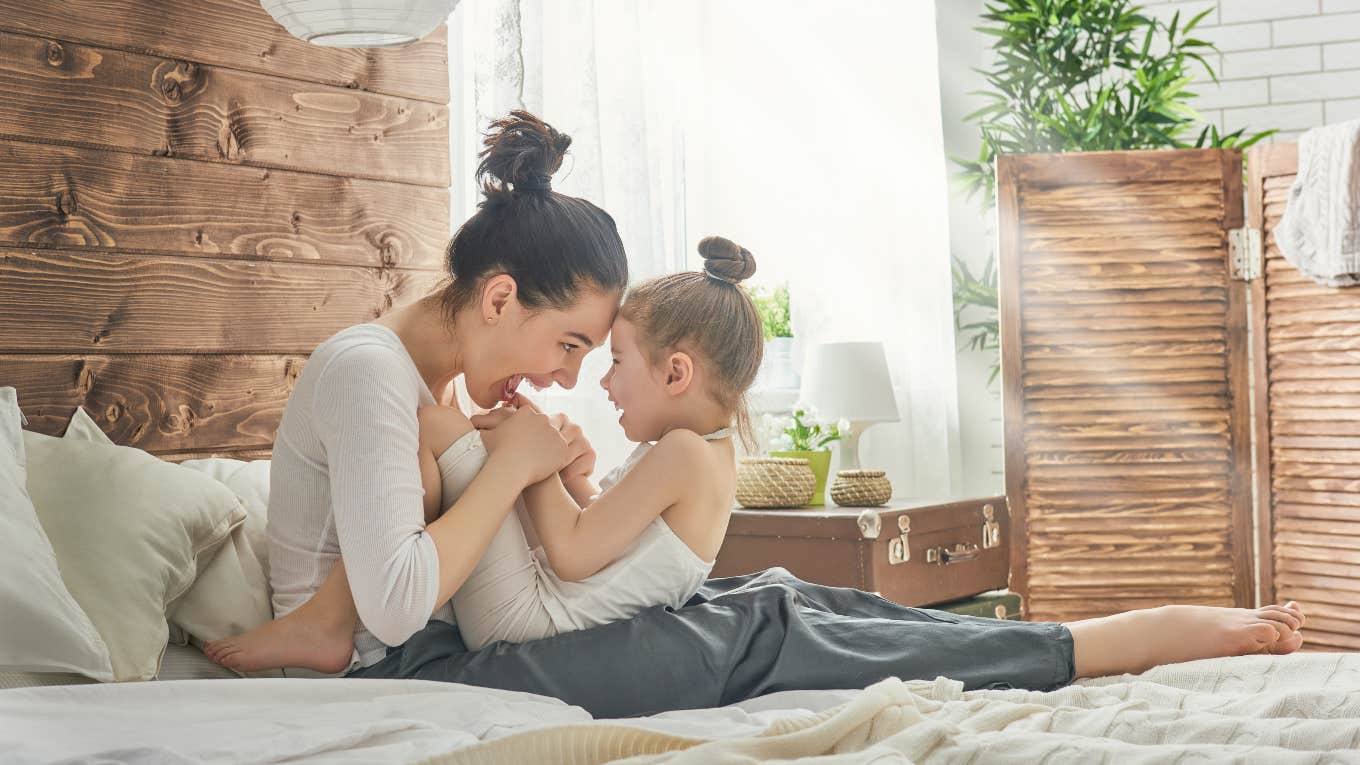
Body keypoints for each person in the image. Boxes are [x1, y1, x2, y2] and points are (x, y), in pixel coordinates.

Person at [202, 109, 1304, 719]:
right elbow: (399, 604)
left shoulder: (423, 386)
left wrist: (527, 462)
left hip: (439, 638)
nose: (568, 375)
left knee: (774, 600)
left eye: (596, 355)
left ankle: (1076, 641)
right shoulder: (372, 374)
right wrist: (518, 463)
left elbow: (471, 543)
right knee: (764, 624)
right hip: (411, 659)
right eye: (572, 345)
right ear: (499, 298)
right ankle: (1078, 647)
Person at [208, 235, 765, 665]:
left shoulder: (684, 455)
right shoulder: (703, 456)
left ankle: (328, 617)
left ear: (675, 373)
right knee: (457, 433)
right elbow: (616, 549)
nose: (595, 383)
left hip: (527, 618)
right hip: (541, 608)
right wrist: (573, 480)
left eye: (613, 362)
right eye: (571, 347)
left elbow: (572, 557)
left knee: (438, 427)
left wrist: (535, 465)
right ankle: (329, 615)